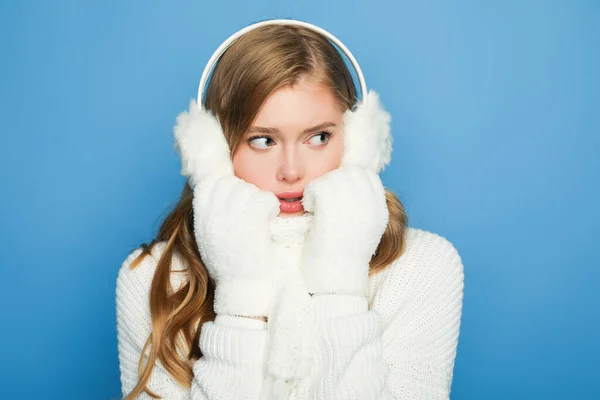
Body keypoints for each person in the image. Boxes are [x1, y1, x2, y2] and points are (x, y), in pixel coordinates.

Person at [116, 20, 464, 400]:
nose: (292, 171)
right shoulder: (155, 279)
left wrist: (341, 280)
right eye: (262, 140)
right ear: (212, 154)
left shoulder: (423, 267)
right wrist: (241, 296)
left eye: (319, 137)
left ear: (360, 143)